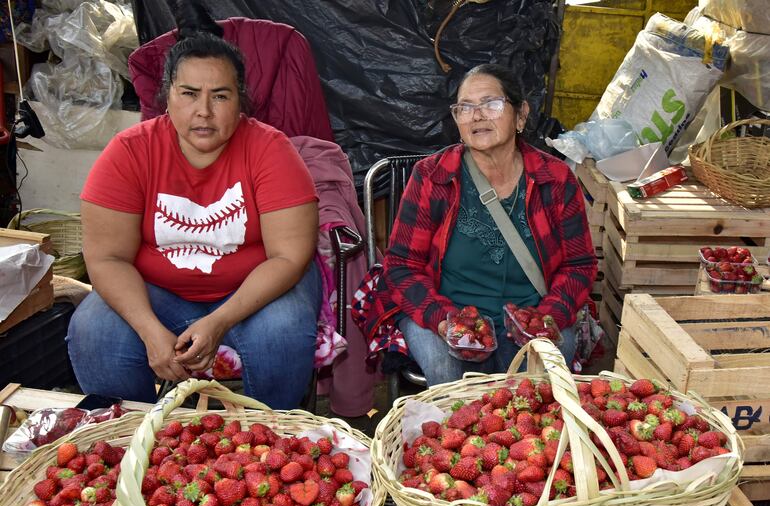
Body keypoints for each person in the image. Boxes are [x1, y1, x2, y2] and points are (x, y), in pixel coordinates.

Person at [66, 2, 322, 408]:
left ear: (241, 101)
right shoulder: (130, 152)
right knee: (92, 329)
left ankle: (273, 437)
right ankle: (137, 441)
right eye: (188, 94)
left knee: (284, 330)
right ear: (167, 95)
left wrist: (219, 321)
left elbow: (289, 257)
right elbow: (107, 258)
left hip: (255, 292)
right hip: (159, 292)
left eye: (220, 96)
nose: (203, 111)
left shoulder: (271, 150)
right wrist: (151, 331)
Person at [359, 64, 597, 386]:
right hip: (445, 313)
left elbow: (579, 264)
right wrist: (443, 321)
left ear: (521, 115)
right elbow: (401, 265)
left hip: (533, 312)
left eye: (491, 104)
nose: (477, 116)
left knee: (543, 370)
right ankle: (449, 431)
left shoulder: (554, 179)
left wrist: (547, 317)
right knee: (447, 371)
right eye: (465, 108)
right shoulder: (434, 176)